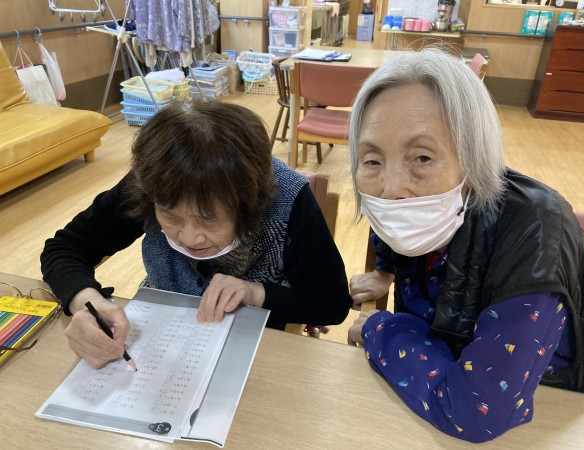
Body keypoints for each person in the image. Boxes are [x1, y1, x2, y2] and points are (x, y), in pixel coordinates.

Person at [346, 48, 584, 443]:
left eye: (422, 158)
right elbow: (395, 227)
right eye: (372, 161)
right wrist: (385, 270)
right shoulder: (427, 207)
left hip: (551, 403)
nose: (392, 189)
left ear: (473, 158)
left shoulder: (534, 231)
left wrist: (381, 328)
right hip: (434, 367)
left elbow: (476, 412)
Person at [41, 100, 352, 369]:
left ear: (249, 203)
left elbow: (332, 302)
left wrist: (255, 293)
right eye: (170, 215)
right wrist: (86, 303)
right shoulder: (155, 183)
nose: (189, 239)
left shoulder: (287, 198)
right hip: (160, 337)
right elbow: (65, 248)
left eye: (210, 219)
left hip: (259, 346)